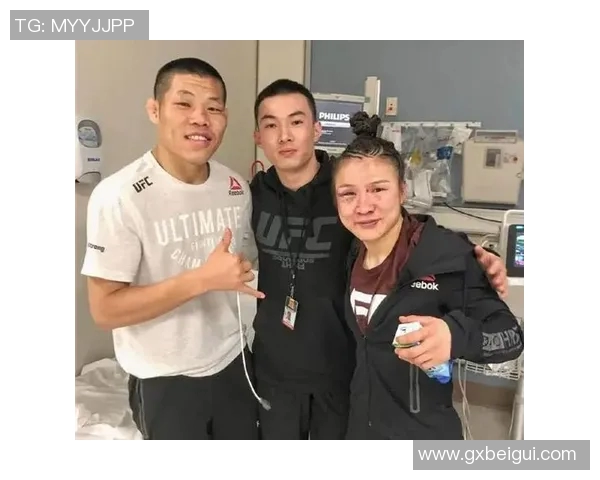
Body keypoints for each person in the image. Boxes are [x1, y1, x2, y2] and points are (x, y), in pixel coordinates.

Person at [249, 78, 509, 440]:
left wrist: (478, 257)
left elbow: (406, 229)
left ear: (316, 129)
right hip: (275, 368)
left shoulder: (346, 182)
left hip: (342, 369)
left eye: (296, 121)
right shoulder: (254, 195)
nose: (285, 136)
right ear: (258, 136)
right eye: (271, 125)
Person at [80, 57, 264, 440]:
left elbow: (240, 264)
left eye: (213, 108)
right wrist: (201, 280)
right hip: (164, 378)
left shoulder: (235, 187)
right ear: (155, 110)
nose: (200, 119)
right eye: (184, 103)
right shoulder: (119, 196)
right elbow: (105, 310)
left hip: (234, 362)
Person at [332, 112, 524, 440]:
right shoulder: (352, 250)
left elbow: (511, 337)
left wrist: (455, 336)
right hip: (361, 428)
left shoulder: (446, 256)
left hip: (423, 436)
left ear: (402, 191)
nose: (363, 206)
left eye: (378, 189)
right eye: (348, 194)